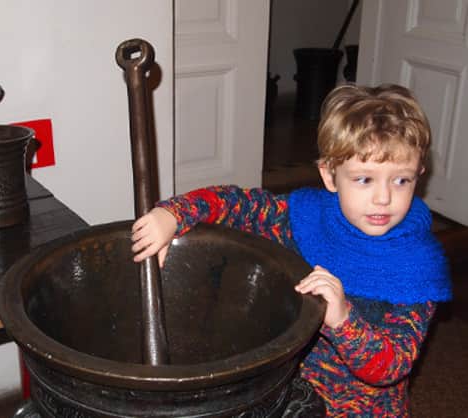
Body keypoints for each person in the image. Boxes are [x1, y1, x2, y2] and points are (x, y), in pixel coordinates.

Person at [131, 83, 452, 417]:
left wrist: (343, 319)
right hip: (294, 395)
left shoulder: (417, 265)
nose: (383, 198)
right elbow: (239, 205)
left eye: (401, 180)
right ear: (330, 175)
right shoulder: (305, 218)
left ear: (419, 175)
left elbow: (392, 366)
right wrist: (174, 214)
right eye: (364, 179)